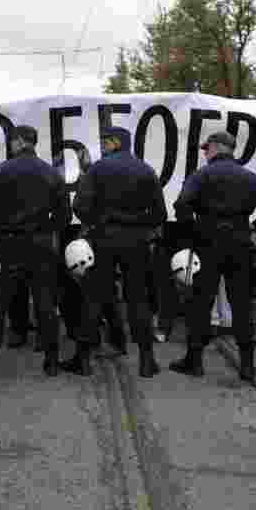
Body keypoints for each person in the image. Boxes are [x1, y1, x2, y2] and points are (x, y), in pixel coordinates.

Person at [170, 131, 256, 381]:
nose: (205, 152)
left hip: (208, 242)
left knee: (201, 302)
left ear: (215, 147)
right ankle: (247, 365)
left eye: (206, 148)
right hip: (240, 243)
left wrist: (192, 232)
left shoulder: (201, 175)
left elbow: (182, 205)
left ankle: (194, 360)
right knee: (242, 304)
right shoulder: (249, 177)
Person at [67, 126, 167, 378]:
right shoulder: (146, 170)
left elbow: (79, 205)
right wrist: (139, 225)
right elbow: (160, 214)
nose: (102, 146)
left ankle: (83, 359)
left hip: (103, 239)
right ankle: (146, 360)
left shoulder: (97, 169)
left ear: (115, 142)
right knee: (138, 299)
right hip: (136, 242)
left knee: (93, 297)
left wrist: (96, 222)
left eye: (105, 142)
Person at [0, 125, 70, 377]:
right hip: (41, 244)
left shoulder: (1, 171)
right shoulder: (51, 173)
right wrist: (45, 228)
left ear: (18, 142)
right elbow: (64, 216)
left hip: (7, 244)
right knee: (45, 302)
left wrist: (2, 224)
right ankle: (51, 360)